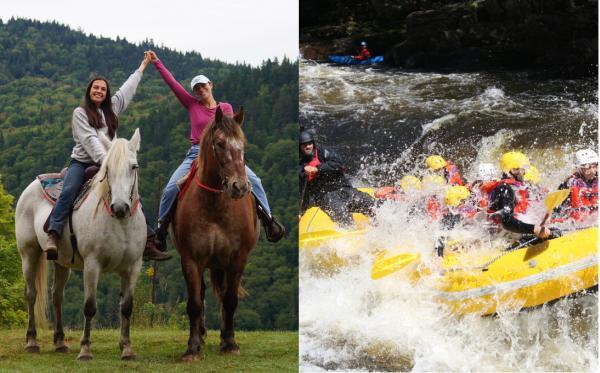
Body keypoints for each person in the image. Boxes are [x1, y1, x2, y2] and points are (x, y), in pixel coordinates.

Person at [147, 51, 284, 248]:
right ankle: (160, 231)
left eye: (203, 85)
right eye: (196, 88)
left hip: (224, 154)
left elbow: (229, 135)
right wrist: (157, 63)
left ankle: (269, 221)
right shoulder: (192, 105)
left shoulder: (226, 108)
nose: (200, 89)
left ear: (210, 85)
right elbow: (173, 84)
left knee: (255, 180)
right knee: (170, 188)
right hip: (196, 154)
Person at [46, 52, 170, 261]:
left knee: (130, 189)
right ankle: (54, 233)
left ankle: (147, 242)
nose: (99, 91)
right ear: (89, 91)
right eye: (96, 88)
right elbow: (90, 141)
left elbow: (127, 90)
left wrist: (142, 67)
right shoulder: (80, 113)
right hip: (83, 162)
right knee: (68, 190)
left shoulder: (112, 108)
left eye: (103, 89)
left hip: (110, 164)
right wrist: (109, 163)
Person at [299, 130, 376, 225]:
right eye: (304, 145)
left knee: (372, 205)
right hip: (326, 198)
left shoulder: (323, 152)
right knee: (344, 218)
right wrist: (301, 212)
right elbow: (303, 192)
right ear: (300, 147)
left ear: (313, 144)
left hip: (344, 190)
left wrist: (317, 169)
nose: (307, 146)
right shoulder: (301, 167)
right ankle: (350, 231)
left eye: (309, 144)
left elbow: (339, 164)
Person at [482, 151, 551, 239]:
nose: (525, 172)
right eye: (523, 169)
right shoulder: (504, 189)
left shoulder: (513, 188)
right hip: (501, 240)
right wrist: (534, 229)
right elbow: (507, 222)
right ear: (513, 170)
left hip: (509, 235)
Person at [554, 148, 598, 222]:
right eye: (587, 167)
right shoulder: (569, 184)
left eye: (594, 166)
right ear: (578, 168)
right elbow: (557, 209)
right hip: (577, 222)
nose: (592, 171)